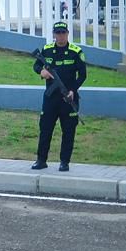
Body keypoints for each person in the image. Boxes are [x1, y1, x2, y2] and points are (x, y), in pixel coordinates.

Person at [32, 21, 87, 172]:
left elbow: (83, 75)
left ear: (68, 33)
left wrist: (72, 90)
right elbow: (36, 65)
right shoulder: (47, 50)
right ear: (54, 34)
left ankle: (64, 162)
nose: (61, 36)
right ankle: (41, 160)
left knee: (68, 131)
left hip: (68, 98)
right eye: (58, 33)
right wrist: (41, 72)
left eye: (63, 33)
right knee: (45, 129)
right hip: (50, 98)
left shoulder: (76, 52)